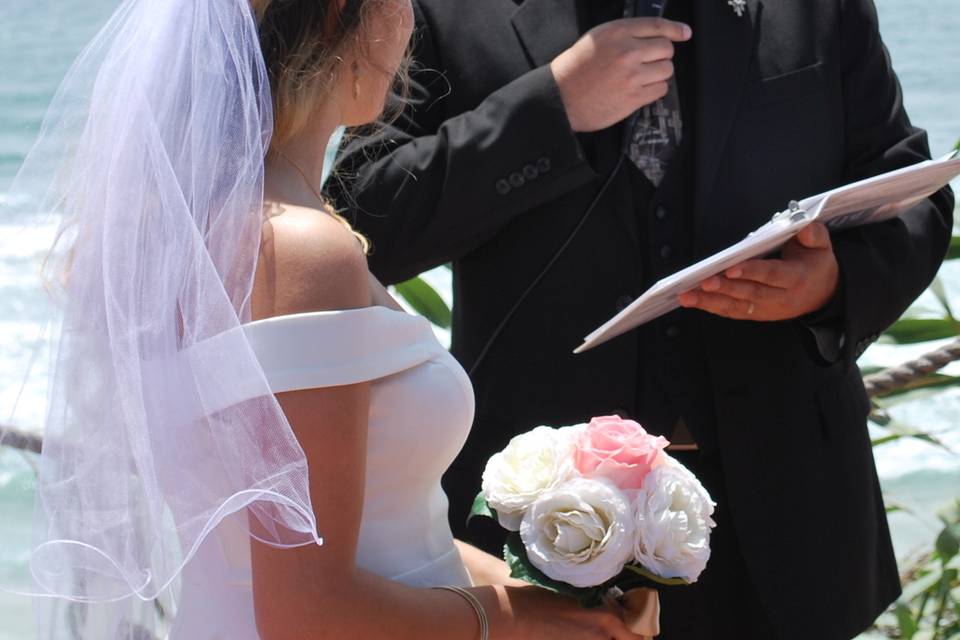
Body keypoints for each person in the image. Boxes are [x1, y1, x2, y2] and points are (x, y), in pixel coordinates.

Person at [0, 0, 647, 638]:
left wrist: (554, 605)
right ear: (341, 13)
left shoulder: (202, 232)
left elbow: (377, 545)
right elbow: (308, 612)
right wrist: (510, 624)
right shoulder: (302, 251)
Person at [325, 1, 956, 638]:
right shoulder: (440, 8)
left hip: (789, 516)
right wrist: (551, 109)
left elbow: (909, 187)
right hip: (539, 530)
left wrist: (833, 282)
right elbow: (358, 221)